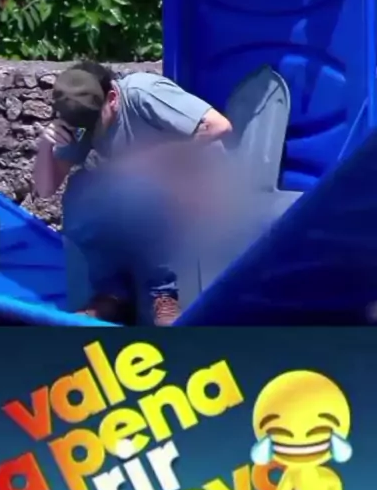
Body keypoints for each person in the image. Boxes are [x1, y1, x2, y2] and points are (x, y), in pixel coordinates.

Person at [33, 62, 232, 325]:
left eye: (92, 122)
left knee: (137, 186)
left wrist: (148, 161)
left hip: (201, 179)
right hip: (141, 189)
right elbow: (46, 189)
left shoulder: (144, 93)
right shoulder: (82, 120)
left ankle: (163, 295)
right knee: (82, 191)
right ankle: (113, 295)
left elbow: (219, 126)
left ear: (112, 98)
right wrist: (46, 143)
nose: (88, 129)